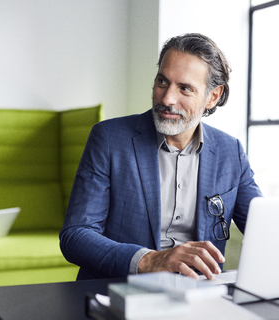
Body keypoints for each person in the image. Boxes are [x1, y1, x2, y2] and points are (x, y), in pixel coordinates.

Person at [60, 33, 263, 281]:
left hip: (198, 296)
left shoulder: (231, 152)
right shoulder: (109, 139)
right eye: (162, 82)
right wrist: (149, 260)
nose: (167, 99)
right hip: (120, 291)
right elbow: (76, 235)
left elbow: (265, 230)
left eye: (185, 88)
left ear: (213, 96)